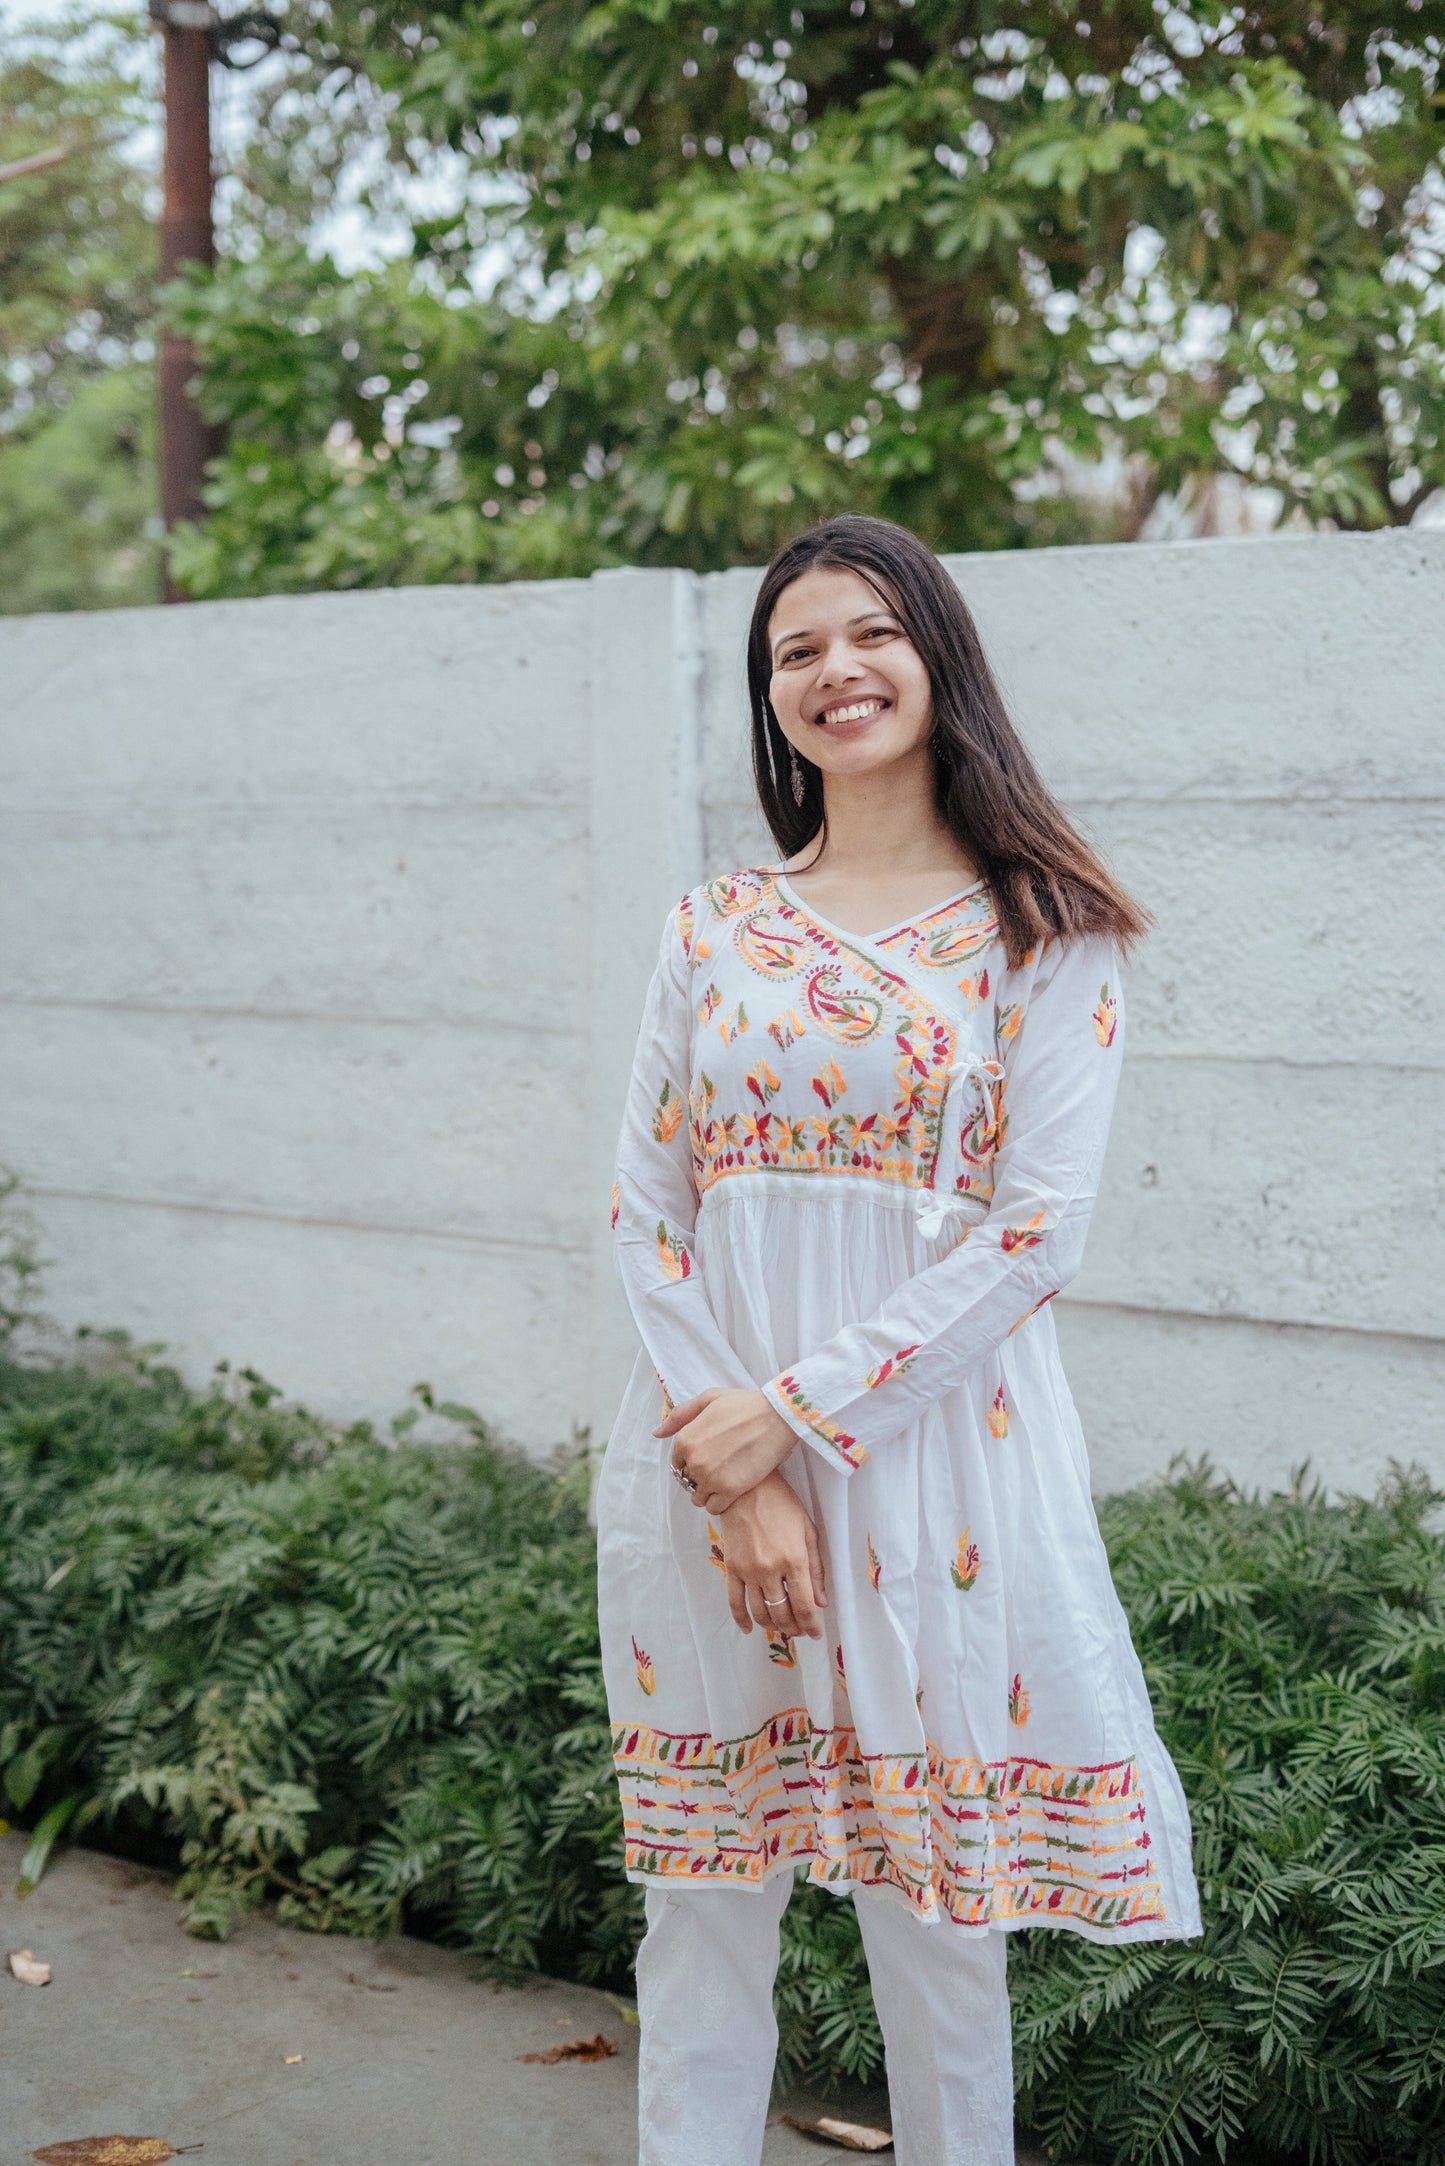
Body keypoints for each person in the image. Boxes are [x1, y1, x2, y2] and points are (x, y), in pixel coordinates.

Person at [595, 513, 1201, 2166]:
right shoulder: (709, 924)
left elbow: (1033, 1234)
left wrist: (789, 1413)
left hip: (937, 1456)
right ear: (767, 694)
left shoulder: (1041, 922)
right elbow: (647, 1209)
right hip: (702, 1462)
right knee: (703, 1892)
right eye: (795, 648)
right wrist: (741, 1467)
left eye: (867, 634)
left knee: (939, 1912)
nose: (832, 670)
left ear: (936, 660)